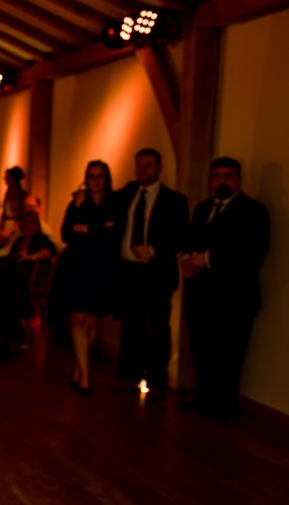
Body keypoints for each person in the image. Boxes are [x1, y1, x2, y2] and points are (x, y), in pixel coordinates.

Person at [181, 157, 269, 417]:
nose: (222, 181)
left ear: (238, 180)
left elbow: (252, 252)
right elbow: (190, 240)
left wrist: (207, 258)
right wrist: (185, 260)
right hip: (200, 294)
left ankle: (224, 406)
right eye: (217, 176)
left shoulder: (254, 211)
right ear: (210, 180)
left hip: (235, 297)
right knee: (202, 350)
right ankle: (204, 398)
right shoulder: (202, 208)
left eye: (228, 176)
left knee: (230, 354)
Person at [115, 148, 189, 393]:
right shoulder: (127, 195)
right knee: (130, 325)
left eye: (148, 165)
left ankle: (157, 380)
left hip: (156, 271)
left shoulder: (175, 200)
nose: (142, 170)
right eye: (138, 165)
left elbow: (181, 237)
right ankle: (129, 375)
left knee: (158, 326)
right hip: (128, 271)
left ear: (159, 168)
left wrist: (154, 249)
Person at [55, 161, 119, 394]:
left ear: (107, 179)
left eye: (100, 176)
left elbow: (112, 235)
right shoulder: (78, 202)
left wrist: (87, 229)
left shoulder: (114, 203)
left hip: (101, 266)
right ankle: (85, 375)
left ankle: (80, 368)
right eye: (91, 176)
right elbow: (65, 232)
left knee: (92, 320)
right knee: (77, 317)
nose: (96, 181)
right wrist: (97, 228)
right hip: (77, 265)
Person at [0, 166, 28, 242]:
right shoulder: (7, 193)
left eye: (7, 177)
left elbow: (22, 217)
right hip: (6, 226)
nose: (5, 178)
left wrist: (9, 231)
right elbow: (4, 213)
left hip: (15, 227)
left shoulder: (21, 194)